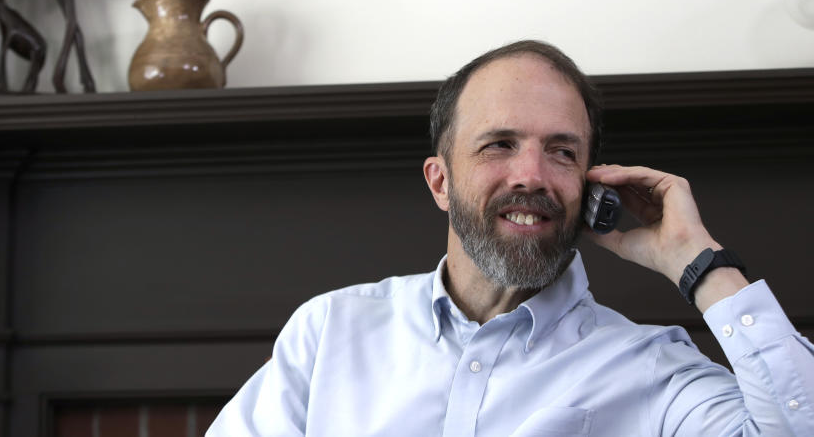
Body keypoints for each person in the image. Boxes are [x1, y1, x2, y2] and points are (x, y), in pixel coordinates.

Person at [207, 40, 814, 436]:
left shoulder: (654, 368)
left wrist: (699, 263)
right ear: (440, 181)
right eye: (500, 144)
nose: (532, 175)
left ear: (590, 186)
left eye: (561, 151)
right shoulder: (329, 331)